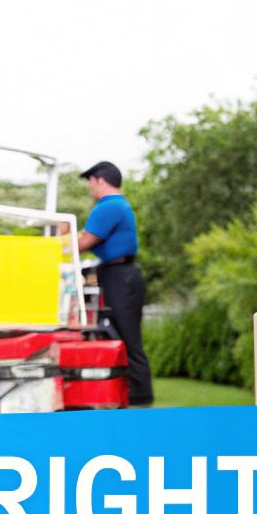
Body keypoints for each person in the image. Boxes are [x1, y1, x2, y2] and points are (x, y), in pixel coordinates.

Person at [78, 161, 153, 406]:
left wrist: (57, 242)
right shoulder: (114, 206)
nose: (90, 188)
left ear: (101, 180)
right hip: (118, 275)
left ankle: (140, 396)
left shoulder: (109, 206)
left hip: (122, 277)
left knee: (129, 338)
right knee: (119, 334)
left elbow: (83, 242)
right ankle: (126, 392)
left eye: (91, 182)